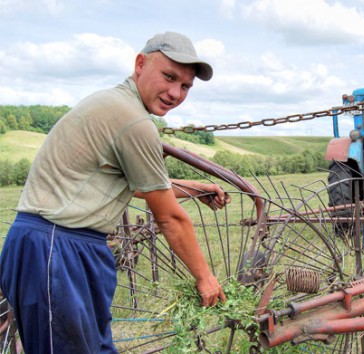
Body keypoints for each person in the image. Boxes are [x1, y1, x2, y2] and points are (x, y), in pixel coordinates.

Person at [0, 31, 228, 353]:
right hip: (57, 248)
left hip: (64, 246)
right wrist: (205, 278)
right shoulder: (132, 120)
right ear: (140, 64)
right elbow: (170, 219)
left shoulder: (116, 105)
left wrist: (195, 188)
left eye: (185, 86)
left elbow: (131, 185)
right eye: (169, 76)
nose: (175, 93)